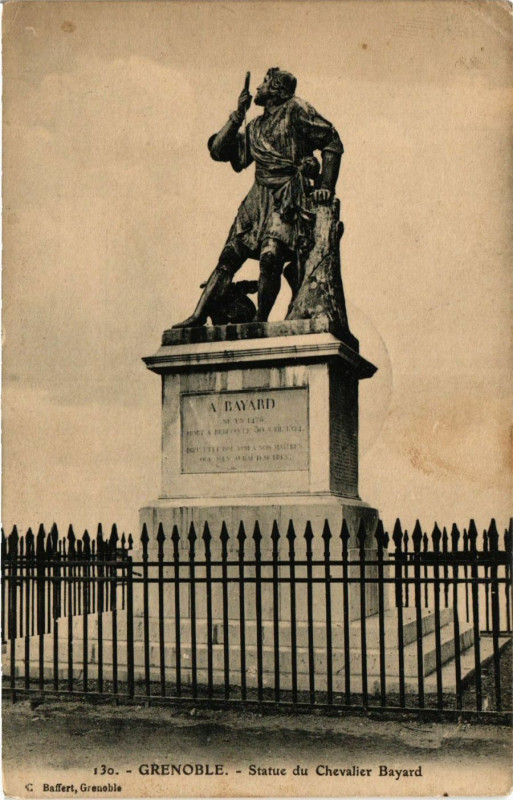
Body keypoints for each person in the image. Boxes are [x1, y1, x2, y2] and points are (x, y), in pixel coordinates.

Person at [173, 68, 343, 327]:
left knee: (271, 258)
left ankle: (260, 320)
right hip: (257, 198)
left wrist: (326, 186)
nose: (259, 87)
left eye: (265, 82)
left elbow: (332, 139)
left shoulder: (296, 109)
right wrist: (237, 116)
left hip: (287, 195)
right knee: (229, 256)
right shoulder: (253, 127)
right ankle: (197, 316)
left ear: (276, 89)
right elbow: (219, 152)